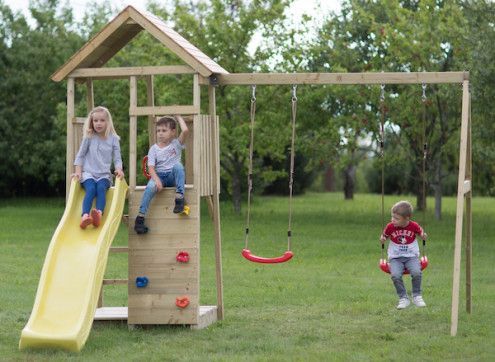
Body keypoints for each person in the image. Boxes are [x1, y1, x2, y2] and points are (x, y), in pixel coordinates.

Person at [134, 115, 189, 234]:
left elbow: (185, 131)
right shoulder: (154, 149)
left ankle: (179, 198)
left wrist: (178, 116)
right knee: (149, 187)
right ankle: (140, 218)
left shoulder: (176, 144)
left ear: (173, 132)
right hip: (159, 176)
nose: (160, 133)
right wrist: (157, 180)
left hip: (172, 176)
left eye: (164, 130)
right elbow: (151, 168)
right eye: (158, 130)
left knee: (178, 166)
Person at [72, 106, 124, 229]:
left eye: (102, 120)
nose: (98, 123)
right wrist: (78, 173)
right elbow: (80, 155)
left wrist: (119, 169)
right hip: (89, 173)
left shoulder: (114, 139)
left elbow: (117, 158)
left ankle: (98, 214)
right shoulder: (89, 137)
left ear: (108, 122)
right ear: (91, 122)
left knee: (100, 188)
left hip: (104, 175)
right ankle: (85, 216)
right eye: (95, 121)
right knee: (91, 189)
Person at [380, 200, 428, 309]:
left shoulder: (414, 226)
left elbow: (421, 233)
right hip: (396, 258)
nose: (393, 220)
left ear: (407, 218)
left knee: (416, 272)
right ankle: (403, 298)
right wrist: (382, 239)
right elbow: (384, 236)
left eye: (396, 218)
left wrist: (423, 235)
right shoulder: (390, 227)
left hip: (411, 257)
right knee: (395, 275)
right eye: (392, 217)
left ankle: (417, 296)